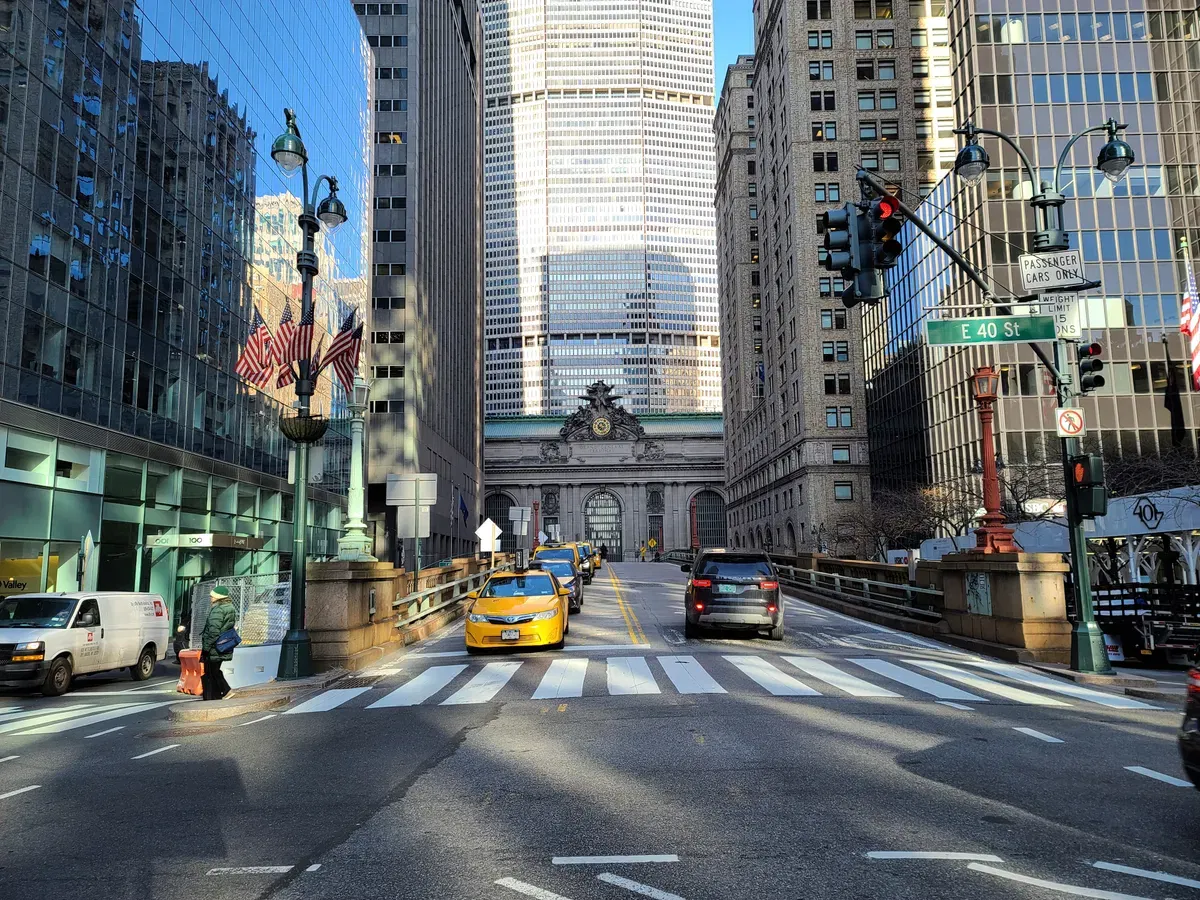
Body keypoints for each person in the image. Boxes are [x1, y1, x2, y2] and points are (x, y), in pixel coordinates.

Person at [200, 586, 236, 701]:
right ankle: (216, 695)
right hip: (222, 644)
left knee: (212, 671)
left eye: (212, 595)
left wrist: (206, 648)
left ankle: (226, 691)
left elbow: (214, 631)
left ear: (218, 597)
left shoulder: (218, 610)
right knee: (214, 670)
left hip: (214, 647)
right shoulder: (229, 607)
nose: (211, 597)